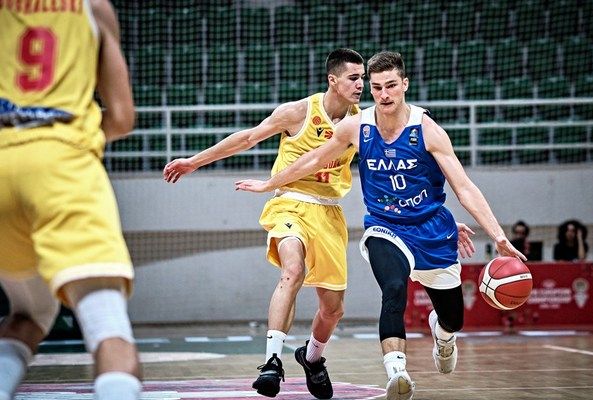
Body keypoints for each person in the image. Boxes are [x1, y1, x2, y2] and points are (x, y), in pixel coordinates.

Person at [236, 51, 525, 400]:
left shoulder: (428, 131)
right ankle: (397, 372)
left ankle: (443, 333)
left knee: (453, 319)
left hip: (431, 229)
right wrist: (270, 183)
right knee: (393, 288)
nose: (384, 94)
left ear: (405, 84)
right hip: (385, 227)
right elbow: (313, 159)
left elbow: (464, 188)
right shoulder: (356, 127)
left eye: (391, 86)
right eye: (376, 87)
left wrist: (499, 237)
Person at [164, 49, 366, 399]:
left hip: (330, 211)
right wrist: (194, 162)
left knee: (333, 310)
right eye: (353, 77)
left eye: (362, 78)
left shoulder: (362, 123)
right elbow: (247, 138)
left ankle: (312, 358)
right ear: (333, 80)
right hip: (289, 202)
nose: (360, 84)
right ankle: (272, 362)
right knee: (292, 270)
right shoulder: (298, 112)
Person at [0, 1, 142, 399]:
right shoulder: (92, 7)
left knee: (31, 313)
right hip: (62, 163)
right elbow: (121, 117)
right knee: (108, 325)